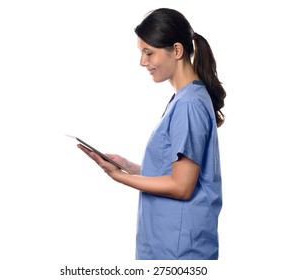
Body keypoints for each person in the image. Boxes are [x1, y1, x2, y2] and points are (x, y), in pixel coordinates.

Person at [77, 7, 226, 260]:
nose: (143, 62)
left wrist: (119, 177)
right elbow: (175, 172)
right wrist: (129, 166)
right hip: (168, 247)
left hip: (179, 253)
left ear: (176, 51)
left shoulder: (189, 104)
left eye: (149, 52)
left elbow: (181, 186)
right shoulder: (184, 99)